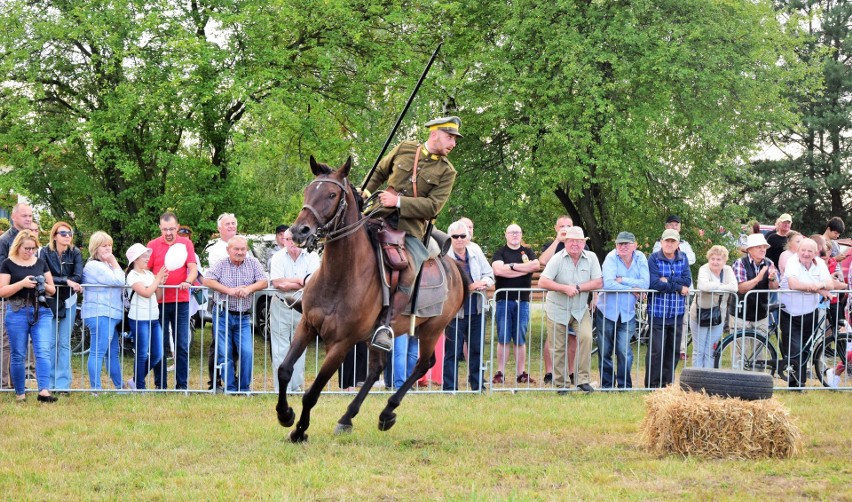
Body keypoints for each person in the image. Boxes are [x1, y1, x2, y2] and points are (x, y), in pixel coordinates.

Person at [362, 116, 462, 351]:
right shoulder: (405, 148)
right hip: (377, 216)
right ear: (434, 134)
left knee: (408, 270)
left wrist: (398, 201)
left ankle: (386, 326)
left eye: (455, 139)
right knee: (343, 240)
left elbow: (433, 207)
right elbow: (379, 171)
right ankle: (310, 292)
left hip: (411, 231)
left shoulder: (447, 171)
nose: (453, 144)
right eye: (450, 137)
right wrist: (364, 191)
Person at [538, 226, 602, 393]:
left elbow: (598, 282)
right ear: (565, 242)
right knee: (558, 347)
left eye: (579, 241)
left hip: (580, 309)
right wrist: (564, 288)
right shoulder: (557, 259)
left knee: (587, 338)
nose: (575, 244)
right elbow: (542, 282)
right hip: (557, 308)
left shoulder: (592, 257)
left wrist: (578, 287)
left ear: (583, 243)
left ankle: (582, 380)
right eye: (571, 240)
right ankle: (561, 384)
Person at [203, 236, 267, 393]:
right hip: (223, 314)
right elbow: (207, 280)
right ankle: (230, 388)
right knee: (224, 352)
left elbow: (264, 282)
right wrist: (229, 290)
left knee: (247, 352)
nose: (240, 252)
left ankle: (244, 388)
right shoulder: (221, 263)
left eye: (243, 249)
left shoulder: (253, 263)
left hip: (243, 317)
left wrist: (248, 289)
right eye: (236, 249)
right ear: (228, 250)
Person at [0, 230, 57, 402]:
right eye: (27, 248)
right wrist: (22, 283)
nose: (30, 251)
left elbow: (52, 289)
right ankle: (20, 393)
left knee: (43, 351)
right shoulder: (7, 264)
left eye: (33, 248)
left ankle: (44, 392)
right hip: (17, 310)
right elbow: (2, 291)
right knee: (18, 353)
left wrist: (42, 284)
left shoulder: (40, 262)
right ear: (18, 246)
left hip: (41, 310)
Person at [146, 212, 198, 390]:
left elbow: (192, 268)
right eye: (165, 229)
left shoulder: (186, 243)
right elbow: (145, 270)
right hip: (158, 302)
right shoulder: (152, 245)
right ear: (160, 228)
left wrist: (188, 281)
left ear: (177, 227)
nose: (168, 233)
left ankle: (181, 386)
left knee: (182, 344)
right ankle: (160, 385)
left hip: (181, 301)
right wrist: (155, 282)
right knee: (159, 344)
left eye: (172, 229)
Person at [442, 220, 494, 391]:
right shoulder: (444, 257)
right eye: (455, 236)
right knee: (452, 351)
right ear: (450, 238)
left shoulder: (475, 252)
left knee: (476, 349)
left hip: (477, 309)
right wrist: (470, 287)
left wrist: (483, 283)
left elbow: (489, 274)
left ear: (468, 237)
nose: (459, 239)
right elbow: (445, 284)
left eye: (462, 236)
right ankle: (450, 388)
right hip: (455, 312)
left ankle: (478, 385)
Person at [595, 231, 649, 389]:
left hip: (627, 313)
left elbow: (645, 284)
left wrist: (623, 280)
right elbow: (608, 284)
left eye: (626, 244)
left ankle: (624, 385)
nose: (622, 246)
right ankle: (607, 386)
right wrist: (632, 288)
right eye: (620, 244)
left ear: (635, 245)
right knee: (605, 351)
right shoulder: (611, 257)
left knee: (624, 351)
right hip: (606, 312)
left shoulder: (641, 258)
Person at [269, 228, 319, 393]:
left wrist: (292, 282)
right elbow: (278, 284)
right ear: (284, 240)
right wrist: (301, 280)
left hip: (303, 308)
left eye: (297, 239)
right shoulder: (277, 257)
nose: (293, 243)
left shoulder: (312, 256)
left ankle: (296, 387)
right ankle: (282, 388)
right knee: (279, 349)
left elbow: (314, 282)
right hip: (281, 305)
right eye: (289, 239)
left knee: (299, 348)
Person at [778, 238, 833, 388]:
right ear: (798, 251)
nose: (806, 254)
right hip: (790, 312)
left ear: (816, 252)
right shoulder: (792, 262)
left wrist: (820, 284)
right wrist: (818, 289)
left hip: (810, 312)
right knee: (794, 349)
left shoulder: (820, 263)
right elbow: (793, 284)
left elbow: (830, 283)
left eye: (810, 251)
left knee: (805, 349)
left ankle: (799, 382)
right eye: (803, 250)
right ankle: (796, 384)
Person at [492, 223, 540, 384]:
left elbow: (535, 265)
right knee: (503, 337)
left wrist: (511, 267)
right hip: (504, 300)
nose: (515, 235)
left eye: (518, 232)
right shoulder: (500, 252)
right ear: (506, 234)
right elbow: (498, 270)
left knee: (520, 337)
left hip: (523, 301)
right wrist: (523, 269)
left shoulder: (527, 251)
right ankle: (500, 373)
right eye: (512, 232)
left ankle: (521, 373)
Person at [39, 222, 83, 391]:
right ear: (55, 235)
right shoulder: (44, 252)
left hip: (69, 300)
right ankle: (48, 383)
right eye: (63, 233)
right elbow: (42, 274)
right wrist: (65, 280)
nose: (67, 236)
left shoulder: (75, 252)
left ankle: (63, 383)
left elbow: (78, 276)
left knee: (64, 342)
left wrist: (68, 281)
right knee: (49, 342)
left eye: (69, 233)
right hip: (49, 300)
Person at [81, 231, 128, 392]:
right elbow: (119, 281)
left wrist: (112, 263)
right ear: (95, 248)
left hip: (111, 313)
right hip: (99, 312)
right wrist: (114, 261)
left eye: (110, 245)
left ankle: (119, 386)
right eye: (104, 246)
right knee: (98, 351)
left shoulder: (106, 265)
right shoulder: (94, 266)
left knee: (112, 353)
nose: (108, 249)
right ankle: (96, 388)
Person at [646, 228, 692, 388]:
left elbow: (687, 280)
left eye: (673, 241)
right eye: (667, 241)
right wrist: (678, 287)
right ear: (661, 242)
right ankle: (652, 385)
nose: (669, 244)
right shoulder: (653, 258)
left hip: (677, 313)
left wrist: (668, 280)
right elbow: (654, 283)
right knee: (656, 351)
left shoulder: (683, 257)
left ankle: (667, 384)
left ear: (678, 244)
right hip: (658, 312)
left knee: (673, 352)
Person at [125, 244, 168, 390]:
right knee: (142, 354)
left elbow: (157, 296)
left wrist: (161, 283)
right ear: (136, 259)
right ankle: (140, 386)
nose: (147, 258)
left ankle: (136, 380)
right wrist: (158, 279)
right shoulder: (132, 275)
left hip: (154, 318)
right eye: (144, 256)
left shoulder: (149, 275)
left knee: (158, 354)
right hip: (139, 319)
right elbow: (146, 292)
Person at [0, 203, 34, 390]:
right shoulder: (5, 240)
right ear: (14, 217)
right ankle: (4, 383)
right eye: (24, 216)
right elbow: (2, 270)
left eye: (30, 215)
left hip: (27, 300)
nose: (28, 219)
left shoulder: (30, 238)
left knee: (21, 343)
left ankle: (18, 382)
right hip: (9, 299)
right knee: (7, 343)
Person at [538, 215, 574, 384]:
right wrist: (557, 241)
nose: (565, 228)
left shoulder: (581, 243)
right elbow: (542, 261)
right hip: (555, 297)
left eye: (568, 225)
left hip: (575, 297)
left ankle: (572, 372)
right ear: (556, 228)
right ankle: (550, 372)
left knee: (573, 337)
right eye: (562, 226)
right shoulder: (552, 245)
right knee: (552, 337)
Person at [688, 246, 738, 368]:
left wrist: (715, 287)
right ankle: (697, 381)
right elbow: (703, 285)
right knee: (699, 350)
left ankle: (709, 380)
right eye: (712, 258)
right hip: (700, 314)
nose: (715, 262)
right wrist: (722, 286)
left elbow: (734, 287)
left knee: (712, 350)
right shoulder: (704, 269)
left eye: (719, 259)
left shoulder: (728, 270)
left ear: (724, 260)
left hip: (718, 316)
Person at [731, 233, 779, 333]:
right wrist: (758, 278)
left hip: (761, 314)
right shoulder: (740, 263)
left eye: (764, 247)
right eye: (759, 247)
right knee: (740, 348)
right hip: (741, 314)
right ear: (749, 250)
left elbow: (774, 288)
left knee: (759, 347)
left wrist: (772, 279)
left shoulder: (769, 263)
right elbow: (741, 288)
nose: (763, 250)